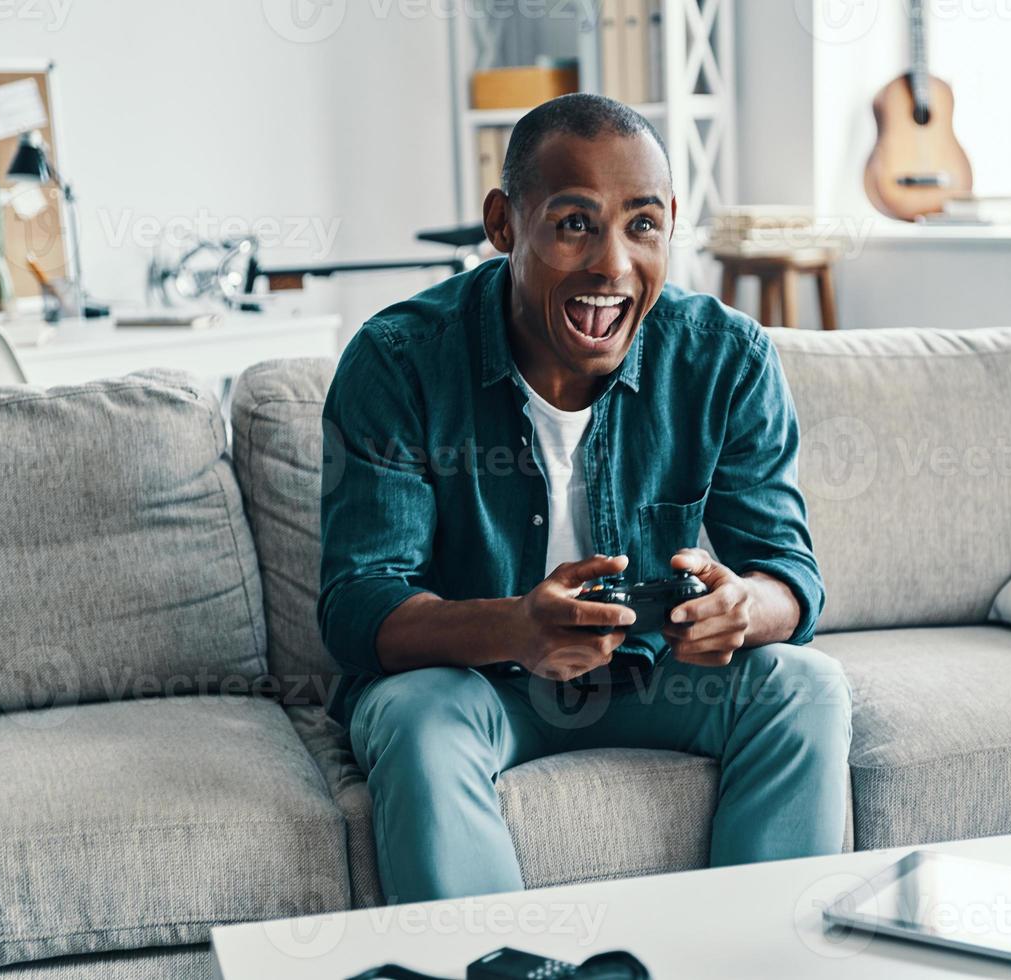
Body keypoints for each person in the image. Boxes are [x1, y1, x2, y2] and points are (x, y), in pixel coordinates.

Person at [318, 92, 852, 903]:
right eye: (574, 223)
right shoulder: (399, 361)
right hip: (474, 684)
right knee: (416, 716)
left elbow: (789, 575)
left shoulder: (726, 358)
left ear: (671, 221)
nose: (612, 265)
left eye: (642, 225)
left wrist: (745, 606)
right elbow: (357, 607)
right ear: (504, 223)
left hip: (653, 677)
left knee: (806, 686)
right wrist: (515, 628)